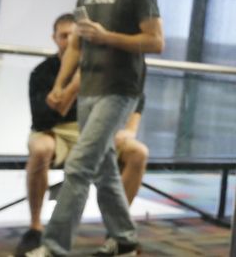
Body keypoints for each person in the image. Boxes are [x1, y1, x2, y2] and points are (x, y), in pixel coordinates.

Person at [27, 0, 163, 257]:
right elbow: (74, 45)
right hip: (87, 90)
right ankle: (125, 239)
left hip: (119, 91)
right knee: (104, 170)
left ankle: (55, 247)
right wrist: (60, 86)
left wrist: (107, 37)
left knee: (79, 166)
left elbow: (156, 41)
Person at [15, 13, 150, 256]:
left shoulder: (106, 68)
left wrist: (129, 130)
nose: (68, 41)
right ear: (54, 38)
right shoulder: (42, 72)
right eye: (63, 35)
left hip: (92, 131)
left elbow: (135, 96)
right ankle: (36, 228)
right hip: (54, 132)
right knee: (41, 149)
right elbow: (43, 119)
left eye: (73, 36)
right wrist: (71, 86)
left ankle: (118, 233)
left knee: (137, 153)